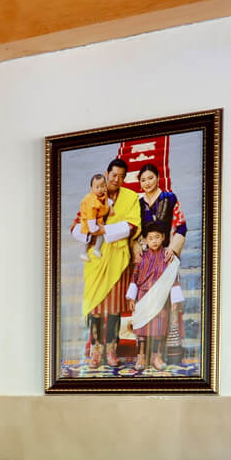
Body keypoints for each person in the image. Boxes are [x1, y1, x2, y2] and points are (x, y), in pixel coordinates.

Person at [70, 157, 140, 368]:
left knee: (114, 309)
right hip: (96, 260)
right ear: (106, 173)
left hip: (119, 259)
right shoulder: (92, 196)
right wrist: (89, 235)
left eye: (121, 176)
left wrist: (104, 230)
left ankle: (111, 350)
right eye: (113, 175)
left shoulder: (130, 197)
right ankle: (96, 350)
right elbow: (76, 225)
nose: (116, 180)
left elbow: (132, 224)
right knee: (95, 308)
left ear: (124, 178)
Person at [135, 163, 189, 364]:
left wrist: (172, 249)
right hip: (147, 259)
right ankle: (142, 355)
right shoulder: (137, 201)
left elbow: (181, 225)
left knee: (165, 308)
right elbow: (133, 229)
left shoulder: (169, 198)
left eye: (150, 178)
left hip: (166, 256)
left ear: (158, 177)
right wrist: (137, 248)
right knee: (143, 303)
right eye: (143, 179)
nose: (147, 182)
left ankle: (161, 354)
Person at [125, 220, 182, 371]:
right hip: (143, 298)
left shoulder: (168, 257)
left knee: (158, 329)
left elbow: (173, 278)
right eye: (150, 238)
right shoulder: (141, 257)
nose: (154, 241)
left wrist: (175, 300)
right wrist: (131, 297)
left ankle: (156, 356)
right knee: (141, 330)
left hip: (161, 300)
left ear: (163, 237)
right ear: (145, 240)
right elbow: (135, 278)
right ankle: (141, 357)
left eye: (157, 237)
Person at [77, 173, 110, 260]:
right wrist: (93, 228)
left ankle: (96, 249)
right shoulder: (92, 202)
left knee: (101, 234)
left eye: (102, 186)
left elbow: (106, 200)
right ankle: (83, 253)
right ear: (91, 188)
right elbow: (91, 216)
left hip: (98, 218)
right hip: (88, 220)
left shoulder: (103, 194)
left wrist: (110, 206)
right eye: (97, 187)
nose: (100, 189)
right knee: (86, 238)